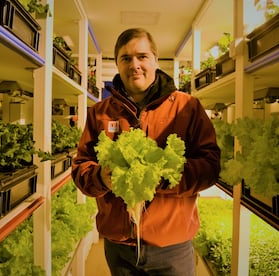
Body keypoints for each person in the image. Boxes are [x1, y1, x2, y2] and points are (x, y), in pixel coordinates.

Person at [72, 28, 221, 276]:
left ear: (155, 59)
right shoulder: (99, 112)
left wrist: (166, 177)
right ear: (117, 63)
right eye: (126, 58)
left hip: (172, 246)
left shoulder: (187, 107)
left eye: (142, 56)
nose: (135, 65)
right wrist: (100, 177)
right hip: (119, 248)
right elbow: (80, 169)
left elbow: (210, 167)